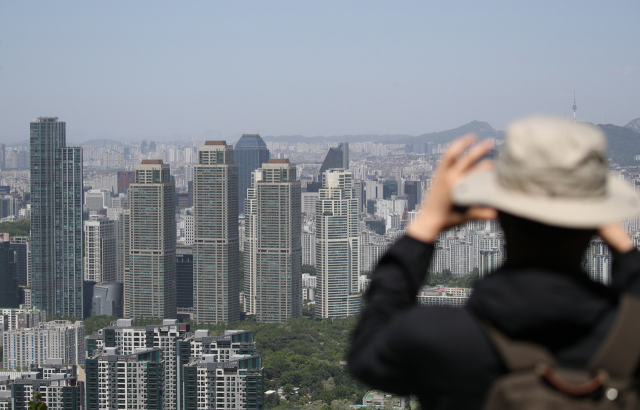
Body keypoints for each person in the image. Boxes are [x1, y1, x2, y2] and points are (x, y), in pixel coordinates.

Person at [348, 116, 640, 409]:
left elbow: (366, 351)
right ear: (595, 221)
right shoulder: (630, 337)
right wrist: (625, 248)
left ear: (499, 210)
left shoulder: (440, 339)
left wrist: (426, 225)